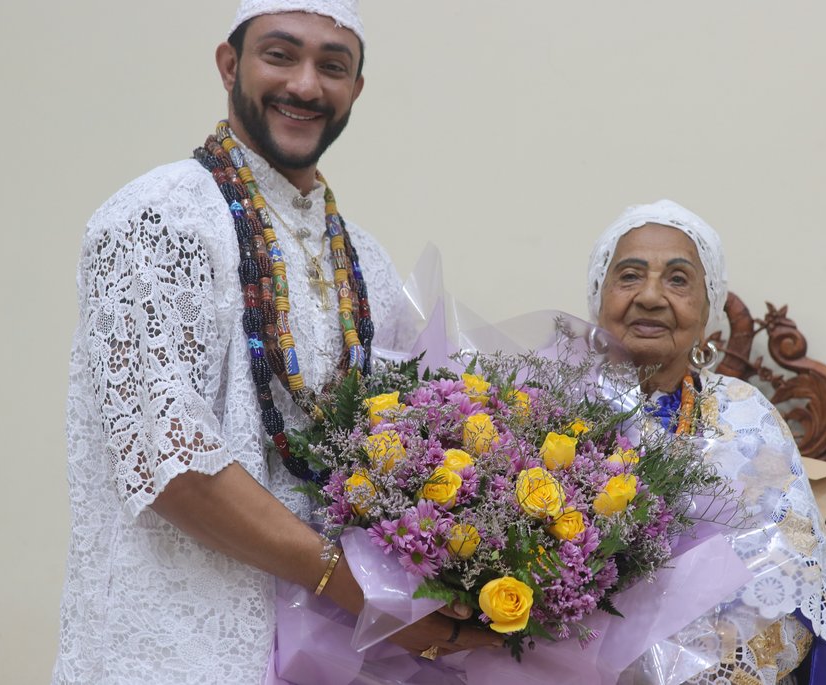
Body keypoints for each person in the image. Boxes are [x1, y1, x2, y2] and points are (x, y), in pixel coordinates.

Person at [52, 2, 497, 683]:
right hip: (171, 653)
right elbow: (173, 464)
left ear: (356, 90)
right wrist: (360, 591)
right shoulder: (158, 219)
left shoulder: (365, 260)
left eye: (333, 66)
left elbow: (398, 456)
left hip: (328, 660)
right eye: (281, 55)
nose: (306, 85)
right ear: (229, 65)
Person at [586, 200, 826, 684]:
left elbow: (798, 578)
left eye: (678, 279)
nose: (652, 296)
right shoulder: (547, 409)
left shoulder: (745, 413)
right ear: (599, 297)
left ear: (706, 313)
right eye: (630, 275)